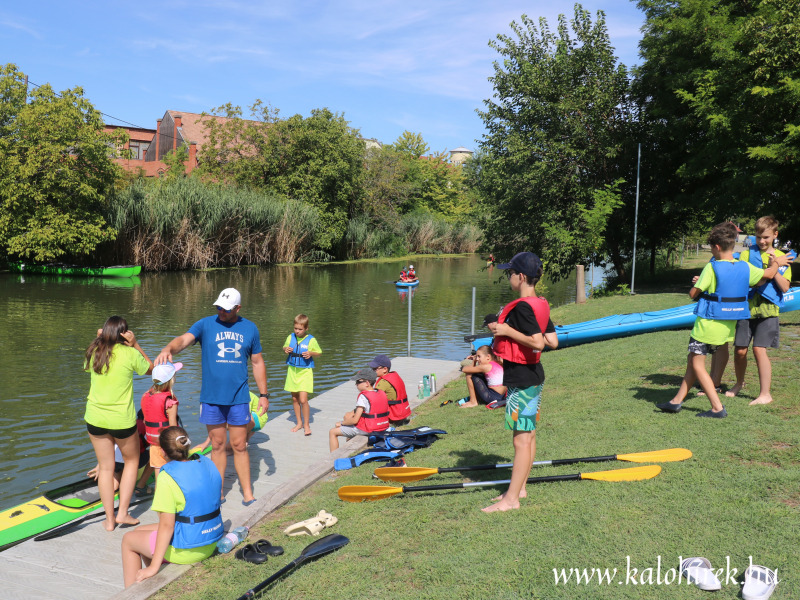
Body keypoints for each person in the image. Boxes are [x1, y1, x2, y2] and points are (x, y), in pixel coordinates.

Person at [155, 287, 268, 506]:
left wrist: (263, 394)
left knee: (239, 445)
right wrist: (169, 348)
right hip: (211, 398)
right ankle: (218, 493)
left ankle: (247, 493)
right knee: (217, 446)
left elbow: (257, 362)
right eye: (218, 307)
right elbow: (183, 340)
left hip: (238, 398)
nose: (221, 312)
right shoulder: (205, 324)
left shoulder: (250, 328)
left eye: (226, 309)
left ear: (238, 308)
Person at [657, 222, 780, 417]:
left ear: (716, 247)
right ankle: (676, 401)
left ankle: (717, 407)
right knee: (692, 361)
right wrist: (775, 263)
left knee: (697, 364)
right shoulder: (745, 266)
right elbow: (768, 275)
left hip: (706, 325)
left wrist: (698, 285)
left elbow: (692, 294)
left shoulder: (711, 268)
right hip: (727, 326)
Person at [482, 252, 558, 513]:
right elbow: (552, 340)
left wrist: (507, 331)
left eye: (510, 273)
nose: (509, 277)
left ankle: (511, 500)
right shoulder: (541, 303)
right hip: (534, 375)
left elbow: (538, 342)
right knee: (529, 435)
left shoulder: (524, 306)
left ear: (521, 276)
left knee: (521, 440)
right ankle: (520, 488)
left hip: (523, 379)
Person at [121, 426, 224, 588]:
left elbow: (167, 526)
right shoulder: (206, 462)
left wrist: (153, 568)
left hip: (190, 549)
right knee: (138, 532)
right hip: (211, 538)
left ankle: (131, 593)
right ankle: (151, 583)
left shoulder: (168, 476)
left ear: (162, 451)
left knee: (128, 540)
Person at [84, 316, 153, 531]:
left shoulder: (94, 352)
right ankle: (123, 513)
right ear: (125, 334)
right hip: (121, 421)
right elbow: (153, 370)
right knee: (131, 462)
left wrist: (99, 340)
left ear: (104, 332)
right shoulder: (130, 353)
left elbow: (90, 363)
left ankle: (109, 520)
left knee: (106, 468)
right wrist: (136, 345)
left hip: (94, 419)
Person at [726, 216, 794, 404]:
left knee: (759, 349)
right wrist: (770, 268)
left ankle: (765, 394)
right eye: (758, 237)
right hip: (746, 309)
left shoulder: (783, 256)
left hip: (768, 310)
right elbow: (744, 277)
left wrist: (776, 266)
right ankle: (739, 383)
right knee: (740, 350)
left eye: (765, 237)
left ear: (775, 234)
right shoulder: (747, 254)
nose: (762, 241)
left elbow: (785, 287)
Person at [329, 368, 390, 451]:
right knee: (348, 420)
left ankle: (333, 458)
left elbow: (355, 420)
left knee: (333, 432)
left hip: (369, 429)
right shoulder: (381, 392)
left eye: (358, 382)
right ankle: (348, 446)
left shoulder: (363, 396)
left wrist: (341, 423)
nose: (356, 384)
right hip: (383, 426)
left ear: (367, 383)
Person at [141, 361, 182, 481]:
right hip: (167, 443)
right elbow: (173, 427)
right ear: (171, 380)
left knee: (158, 469)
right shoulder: (170, 402)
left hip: (153, 443)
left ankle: (159, 494)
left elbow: (145, 420)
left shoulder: (146, 396)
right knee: (172, 470)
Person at [283, 314, 322, 436]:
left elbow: (319, 352)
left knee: (303, 399)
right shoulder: (290, 337)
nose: (297, 331)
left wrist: (311, 352)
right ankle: (299, 423)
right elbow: (285, 346)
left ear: (306, 328)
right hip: (292, 371)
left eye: (300, 329)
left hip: (305, 372)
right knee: (295, 398)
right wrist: (286, 349)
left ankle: (306, 424)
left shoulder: (311, 339)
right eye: (295, 328)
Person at [369, 354, 411, 425]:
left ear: (385, 369)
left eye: (375, 369)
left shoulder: (383, 382)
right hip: (403, 411)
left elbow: (372, 398)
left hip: (394, 415)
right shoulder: (394, 376)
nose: (372, 371)